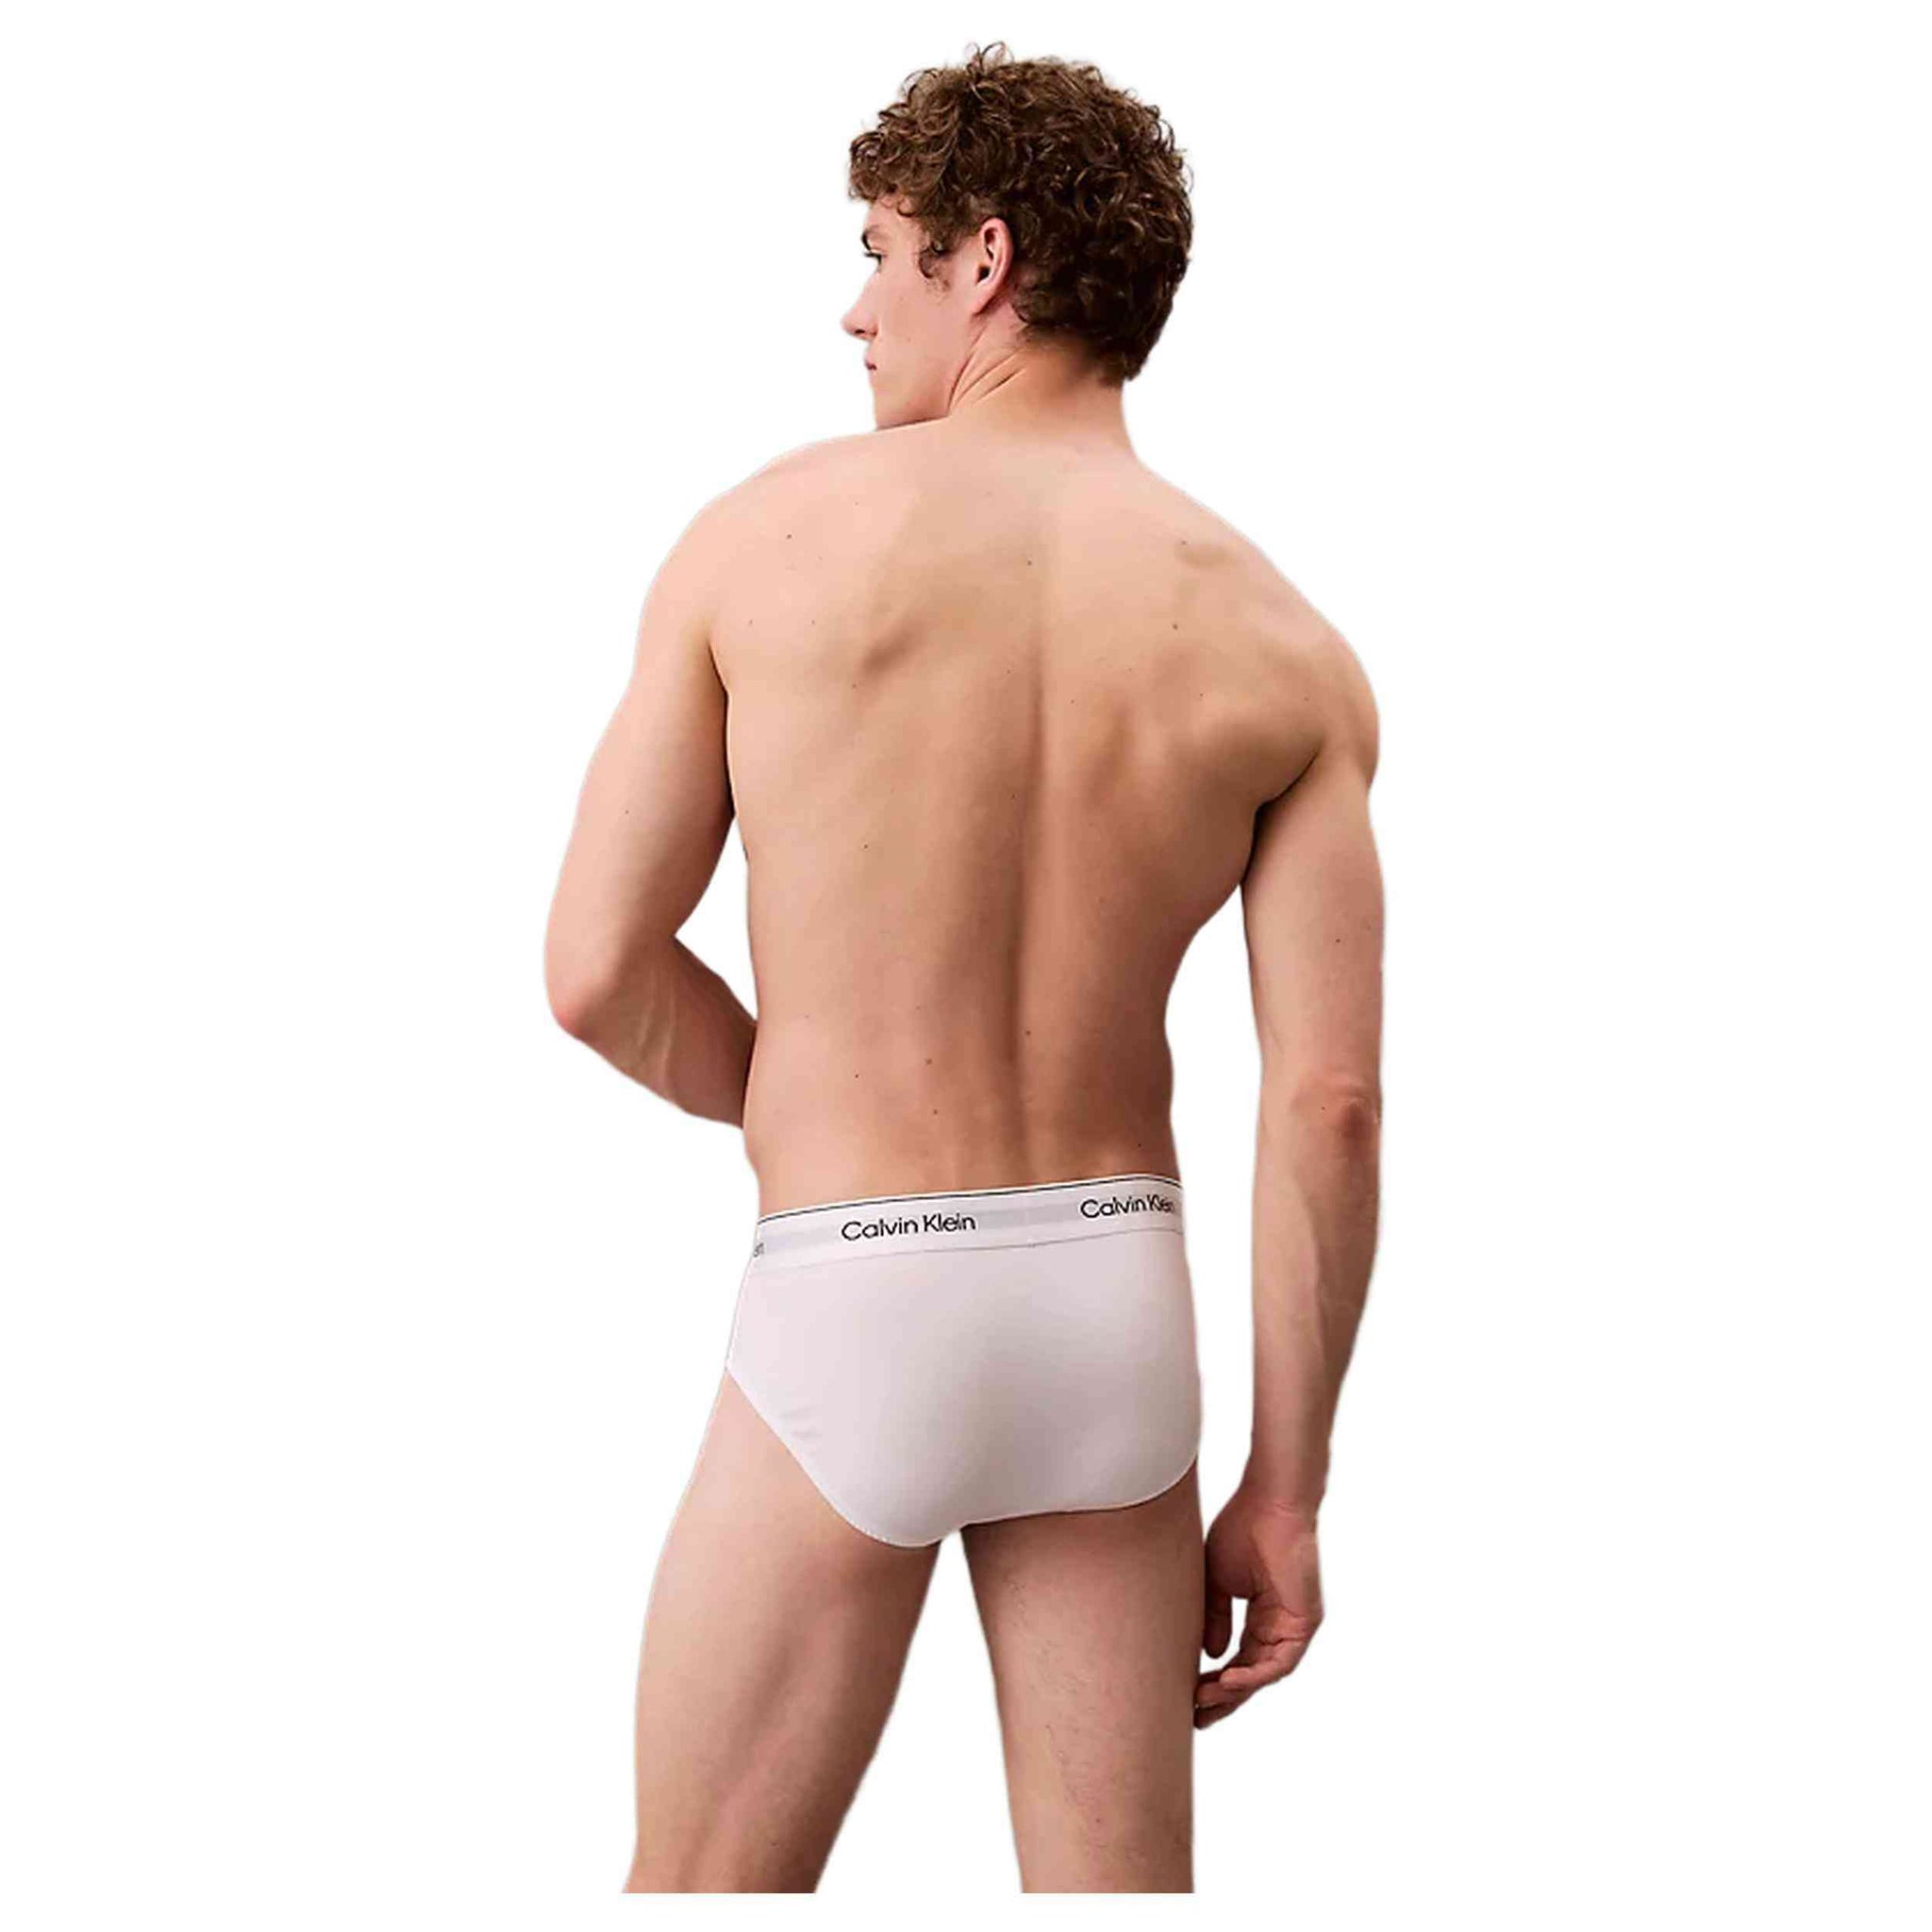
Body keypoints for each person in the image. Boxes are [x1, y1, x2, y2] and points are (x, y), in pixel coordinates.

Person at [544, 42, 1383, 1894]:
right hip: (1114, 1312)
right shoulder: (1284, 642)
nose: (855, 310)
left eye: (879, 252)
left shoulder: (764, 541)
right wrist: (1288, 1487)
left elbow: (598, 969)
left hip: (855, 1280)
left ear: (981, 260)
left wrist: (791, 1097)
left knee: (703, 1894)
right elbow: (1327, 1105)